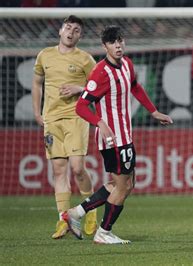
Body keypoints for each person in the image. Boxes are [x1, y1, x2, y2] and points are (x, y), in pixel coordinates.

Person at [62, 25, 173, 244]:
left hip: (125, 136)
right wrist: (100, 123)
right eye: (113, 42)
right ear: (105, 46)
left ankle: (75, 213)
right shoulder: (100, 73)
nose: (118, 45)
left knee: (120, 184)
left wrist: (154, 111)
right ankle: (103, 232)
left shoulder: (127, 65)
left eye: (120, 41)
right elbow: (82, 106)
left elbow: (136, 87)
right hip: (113, 139)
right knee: (124, 186)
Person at [32, 15, 97, 239]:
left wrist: (79, 88)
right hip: (52, 120)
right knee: (59, 170)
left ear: (80, 35)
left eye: (76, 29)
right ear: (60, 30)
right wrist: (37, 112)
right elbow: (37, 83)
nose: (71, 32)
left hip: (76, 117)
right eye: (68, 28)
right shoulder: (45, 55)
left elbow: (97, 88)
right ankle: (63, 220)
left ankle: (91, 211)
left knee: (78, 168)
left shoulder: (86, 59)